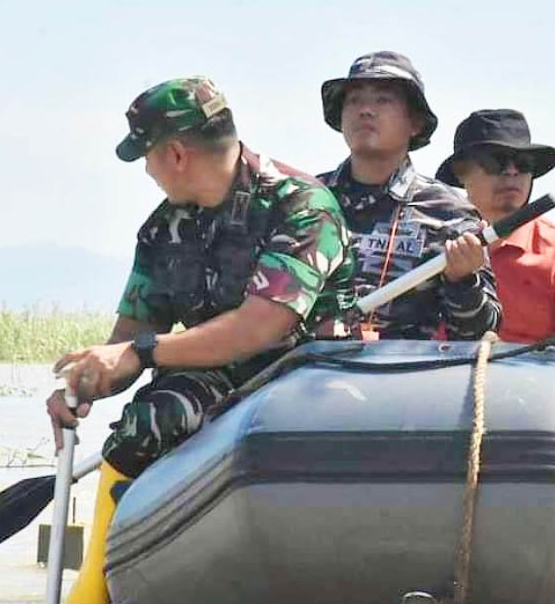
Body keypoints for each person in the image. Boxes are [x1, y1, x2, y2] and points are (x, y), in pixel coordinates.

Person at [46, 77, 354, 479]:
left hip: (304, 381)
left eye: (146, 156)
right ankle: (135, 537)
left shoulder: (302, 207)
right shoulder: (163, 229)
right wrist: (86, 380)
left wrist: (141, 352)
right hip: (215, 380)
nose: (146, 170)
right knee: (143, 430)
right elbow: (132, 335)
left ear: (175, 154)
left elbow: (257, 329)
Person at [315, 51, 501, 340]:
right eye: (354, 100)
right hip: (306, 376)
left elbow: (481, 331)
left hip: (402, 379)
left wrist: (463, 281)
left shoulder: (449, 212)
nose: (365, 110)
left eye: (383, 100)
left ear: (415, 123)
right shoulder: (306, 200)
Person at [437, 109, 555, 343]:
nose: (512, 171)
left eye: (523, 163)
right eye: (496, 161)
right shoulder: (426, 241)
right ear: (460, 172)